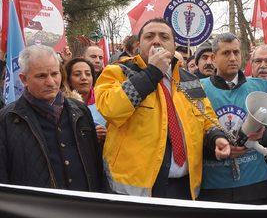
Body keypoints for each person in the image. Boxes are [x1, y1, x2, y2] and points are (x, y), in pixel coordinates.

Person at [95, 18, 231, 199]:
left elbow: (206, 117)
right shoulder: (119, 71)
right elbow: (110, 109)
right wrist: (152, 72)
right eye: (149, 36)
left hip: (185, 187)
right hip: (135, 194)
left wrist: (217, 137)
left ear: (174, 45)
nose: (157, 41)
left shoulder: (188, 79)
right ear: (139, 44)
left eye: (164, 36)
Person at [0, 45, 105, 191]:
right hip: (36, 211)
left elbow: (97, 167)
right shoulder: (8, 119)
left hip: (85, 208)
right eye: (41, 76)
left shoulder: (80, 111)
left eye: (55, 74)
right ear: (24, 79)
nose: (50, 82)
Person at [199, 33, 267, 203]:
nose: (232, 58)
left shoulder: (261, 86)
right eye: (226, 53)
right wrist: (214, 152)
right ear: (214, 58)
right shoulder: (197, 88)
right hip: (214, 185)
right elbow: (191, 134)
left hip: (255, 183)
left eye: (236, 52)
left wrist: (263, 134)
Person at [64, 57, 107, 141]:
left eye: (88, 74)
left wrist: (107, 135)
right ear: (68, 79)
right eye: (77, 74)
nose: (84, 78)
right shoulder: (62, 104)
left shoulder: (104, 99)